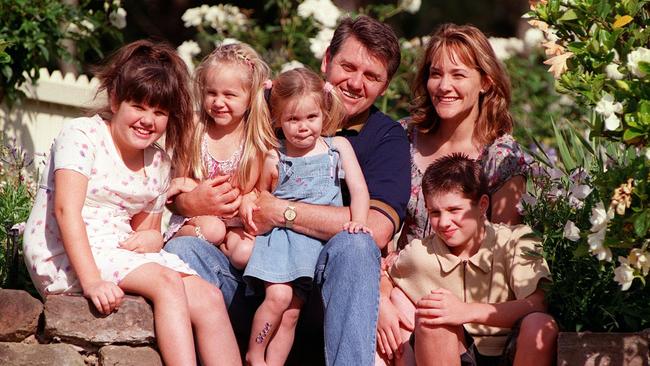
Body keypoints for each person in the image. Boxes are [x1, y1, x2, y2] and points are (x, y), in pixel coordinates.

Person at [165, 15, 410, 365]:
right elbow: (219, 156)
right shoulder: (278, 108)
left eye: (372, 76)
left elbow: (376, 227)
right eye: (348, 66)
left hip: (325, 294)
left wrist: (281, 211)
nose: (356, 83)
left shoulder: (384, 138)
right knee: (186, 250)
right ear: (327, 60)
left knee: (356, 244)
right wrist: (190, 201)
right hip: (255, 278)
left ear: (385, 87)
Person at [22, 40, 240, 365]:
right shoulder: (83, 136)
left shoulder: (157, 162)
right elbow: (66, 210)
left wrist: (152, 238)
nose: (148, 120)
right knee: (167, 283)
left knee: (208, 296)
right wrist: (92, 279)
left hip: (118, 251)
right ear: (115, 100)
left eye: (160, 112)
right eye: (138, 106)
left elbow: (149, 231)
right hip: (66, 252)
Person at [379, 153, 557, 366]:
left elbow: (538, 303)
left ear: (482, 205)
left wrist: (464, 311)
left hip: (510, 350)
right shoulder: (419, 253)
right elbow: (386, 275)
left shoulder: (516, 241)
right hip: (453, 352)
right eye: (435, 212)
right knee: (433, 319)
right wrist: (381, 300)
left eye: (454, 210)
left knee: (540, 323)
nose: (444, 222)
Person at [243, 67, 371, 366]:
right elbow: (260, 195)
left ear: (324, 112)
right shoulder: (276, 155)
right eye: (293, 119)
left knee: (291, 315)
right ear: (277, 119)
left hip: (313, 245)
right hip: (281, 242)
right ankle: (255, 352)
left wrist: (360, 220)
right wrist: (252, 205)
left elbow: (359, 188)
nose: (303, 127)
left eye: (311, 118)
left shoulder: (337, 148)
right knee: (277, 299)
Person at [398, 23, 528, 247]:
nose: (444, 86)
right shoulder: (402, 137)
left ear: (485, 83)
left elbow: (504, 249)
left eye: (458, 75)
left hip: (469, 278)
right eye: (436, 74)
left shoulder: (500, 157)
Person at [164, 43, 275, 270]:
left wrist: (248, 199)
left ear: (250, 97)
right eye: (211, 93)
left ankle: (225, 272)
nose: (218, 102)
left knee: (244, 253)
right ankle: (173, 246)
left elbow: (259, 190)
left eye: (229, 95)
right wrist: (189, 186)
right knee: (213, 230)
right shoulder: (194, 128)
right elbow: (174, 192)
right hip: (197, 219)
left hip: (236, 224)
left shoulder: (255, 139)